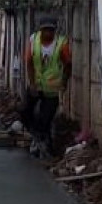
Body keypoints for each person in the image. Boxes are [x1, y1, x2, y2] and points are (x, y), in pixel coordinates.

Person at [23, 17, 72, 157]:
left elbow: (68, 64)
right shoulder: (33, 40)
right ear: (41, 30)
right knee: (25, 111)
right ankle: (36, 135)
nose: (48, 33)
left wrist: (64, 82)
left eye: (51, 30)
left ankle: (45, 145)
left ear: (55, 31)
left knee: (46, 117)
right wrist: (32, 84)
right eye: (46, 30)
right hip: (36, 84)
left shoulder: (61, 42)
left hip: (52, 87)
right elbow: (29, 62)